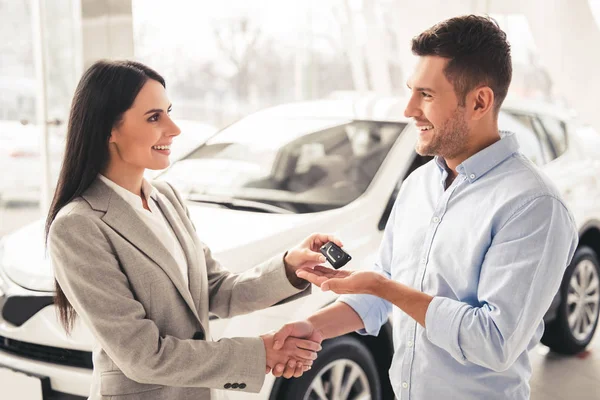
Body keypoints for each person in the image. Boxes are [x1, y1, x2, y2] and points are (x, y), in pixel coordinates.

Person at [271, 15, 579, 400]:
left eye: (427, 96)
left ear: (480, 101)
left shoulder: (533, 206)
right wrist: (313, 326)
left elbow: (495, 341)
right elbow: (380, 290)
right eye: (411, 91)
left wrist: (385, 287)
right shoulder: (419, 186)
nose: (409, 109)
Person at [46, 60, 335, 400]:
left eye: (169, 111)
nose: (174, 128)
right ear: (109, 128)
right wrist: (261, 353)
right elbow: (142, 356)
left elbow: (214, 290)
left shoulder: (166, 198)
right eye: (154, 117)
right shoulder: (78, 226)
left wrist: (289, 268)